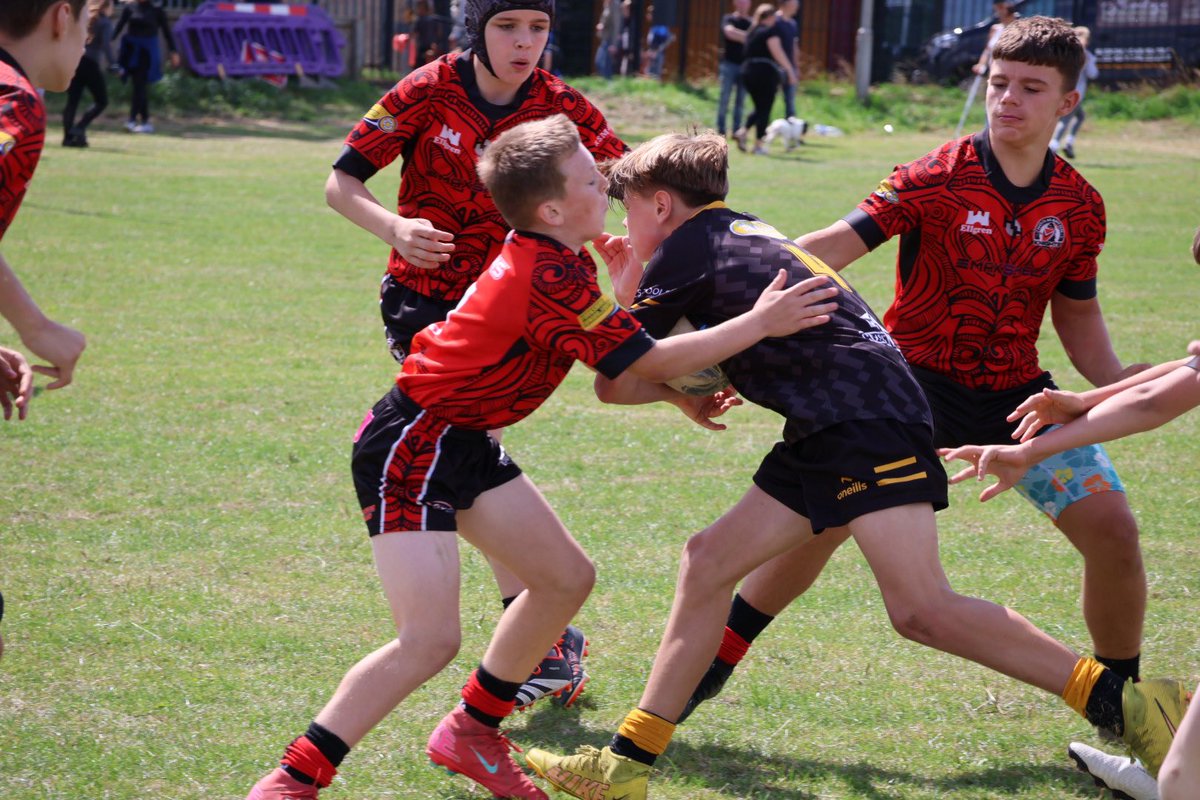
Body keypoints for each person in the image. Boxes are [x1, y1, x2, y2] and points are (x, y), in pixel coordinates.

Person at [521, 128, 1189, 800]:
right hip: (838, 419)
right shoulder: (743, 232)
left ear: (661, 204)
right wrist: (675, 375)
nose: (624, 221)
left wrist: (633, 298)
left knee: (922, 609)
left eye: (628, 206)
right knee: (709, 560)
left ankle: (1128, 706)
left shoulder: (689, 246)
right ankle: (625, 766)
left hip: (864, 423)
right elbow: (655, 369)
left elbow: (616, 379)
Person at [244, 113, 840, 800]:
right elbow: (646, 357)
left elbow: (618, 366)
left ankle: (471, 731)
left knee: (563, 578)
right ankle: (294, 778)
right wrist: (758, 324)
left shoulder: (558, 260)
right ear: (554, 207)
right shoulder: (548, 273)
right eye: (592, 179)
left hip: (463, 440)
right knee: (429, 639)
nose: (606, 183)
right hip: (414, 443)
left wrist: (677, 396)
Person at [683, 15, 1156, 731]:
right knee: (822, 522)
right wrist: (732, 329)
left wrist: (1115, 382)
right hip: (901, 391)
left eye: (1031, 88)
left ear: (1067, 103)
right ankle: (711, 663)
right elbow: (826, 249)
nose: (1008, 100)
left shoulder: (1080, 206)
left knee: (1114, 531)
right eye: (999, 84)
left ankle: (1125, 703)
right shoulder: (937, 175)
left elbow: (1077, 315)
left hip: (1021, 399)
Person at [325, 0, 637, 712]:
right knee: (471, 433)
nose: (525, 43)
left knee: (470, 444)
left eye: (537, 28)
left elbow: (624, 184)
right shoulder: (426, 90)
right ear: (475, 28)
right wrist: (394, 228)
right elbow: (340, 181)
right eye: (507, 27)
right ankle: (538, 634)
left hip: (526, 304)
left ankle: (539, 632)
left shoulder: (562, 108)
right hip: (427, 300)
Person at [0, 0, 89, 396]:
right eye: (89, 28)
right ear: (62, 17)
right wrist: (36, 325)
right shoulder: (14, 102)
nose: (86, 45)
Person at [733, 4, 796, 156]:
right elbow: (778, 53)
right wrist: (790, 71)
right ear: (769, 17)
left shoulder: (752, 32)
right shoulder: (770, 32)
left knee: (760, 106)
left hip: (748, 72)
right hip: (764, 73)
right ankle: (758, 145)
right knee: (765, 108)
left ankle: (743, 132)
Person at [113, 0, 179, 134]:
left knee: (139, 85)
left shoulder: (157, 10)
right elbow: (119, 26)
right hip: (131, 51)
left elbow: (167, 31)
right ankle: (145, 121)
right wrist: (105, 40)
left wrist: (174, 51)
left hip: (146, 53)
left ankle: (132, 120)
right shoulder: (130, 8)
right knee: (138, 86)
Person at [62, 0, 115, 147]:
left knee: (72, 101)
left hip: (77, 61)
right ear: (106, 7)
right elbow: (106, 45)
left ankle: (67, 138)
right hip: (91, 63)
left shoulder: (84, 19)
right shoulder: (105, 23)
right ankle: (79, 127)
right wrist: (113, 64)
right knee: (102, 101)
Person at [1050, 26, 1098, 159]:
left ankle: (1068, 142)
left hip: (1062, 90)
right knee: (1066, 119)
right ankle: (1054, 146)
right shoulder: (1086, 56)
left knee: (1079, 116)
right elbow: (1093, 74)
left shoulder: (1064, 54)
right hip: (1076, 93)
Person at [715, 0, 750, 137]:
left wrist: (739, 35)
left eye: (745, 2)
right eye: (740, 2)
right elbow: (729, 32)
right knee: (724, 98)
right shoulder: (728, 18)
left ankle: (736, 130)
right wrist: (747, 36)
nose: (742, 5)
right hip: (729, 64)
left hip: (745, 66)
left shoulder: (752, 22)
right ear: (735, 3)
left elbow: (754, 38)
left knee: (741, 100)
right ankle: (721, 130)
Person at [972, 1, 1018, 78]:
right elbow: (987, 50)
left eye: (1001, 8)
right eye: (997, 9)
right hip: (993, 71)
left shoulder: (1018, 29)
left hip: (1010, 73)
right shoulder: (995, 29)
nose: (998, 12)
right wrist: (981, 64)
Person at [776, 0, 800, 119]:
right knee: (767, 99)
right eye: (795, 3)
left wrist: (795, 68)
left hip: (790, 67)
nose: (797, 6)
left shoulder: (792, 23)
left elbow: (794, 46)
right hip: (775, 67)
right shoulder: (774, 21)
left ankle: (791, 128)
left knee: (790, 102)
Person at [595, 0, 621, 79]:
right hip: (605, 39)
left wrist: (614, 44)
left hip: (610, 40)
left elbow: (617, 25)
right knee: (599, 62)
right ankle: (604, 83)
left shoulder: (615, 5)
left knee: (605, 64)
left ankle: (608, 84)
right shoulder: (607, 4)